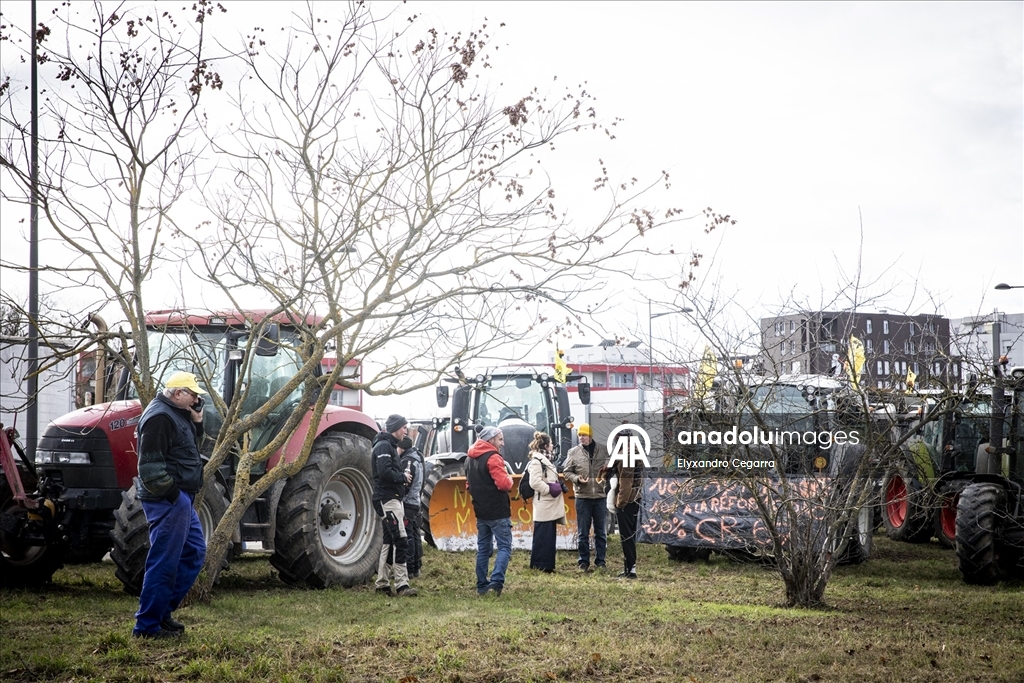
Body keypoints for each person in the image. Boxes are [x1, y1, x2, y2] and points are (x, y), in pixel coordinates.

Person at [132, 371, 208, 639]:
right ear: (177, 393)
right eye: (193, 394)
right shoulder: (159, 418)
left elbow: (187, 449)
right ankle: (147, 627)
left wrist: (197, 420)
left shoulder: (177, 413)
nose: (197, 399)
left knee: (195, 552)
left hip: (180, 499)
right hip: (167, 499)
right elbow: (149, 470)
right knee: (164, 560)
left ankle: (161, 613)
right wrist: (176, 498)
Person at [372, 414, 417, 597]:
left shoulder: (387, 445)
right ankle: (401, 585)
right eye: (404, 427)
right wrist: (402, 477)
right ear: (396, 428)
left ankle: (382, 584)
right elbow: (384, 472)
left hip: (390, 498)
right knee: (401, 540)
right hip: (388, 498)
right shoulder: (384, 446)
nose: (406, 431)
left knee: (389, 541)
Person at [465, 425, 513, 596]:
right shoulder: (493, 458)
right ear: (491, 440)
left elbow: (468, 486)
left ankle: (481, 586)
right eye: (500, 439)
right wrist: (510, 479)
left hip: (481, 511)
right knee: (505, 547)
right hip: (498, 512)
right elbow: (503, 484)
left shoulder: (469, 458)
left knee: (483, 548)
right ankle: (496, 583)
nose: (503, 443)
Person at [561, 423, 610, 572]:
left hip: (600, 496)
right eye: (580, 435)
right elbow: (567, 472)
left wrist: (608, 472)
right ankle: (583, 561)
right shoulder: (573, 452)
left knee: (601, 532)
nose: (582, 438)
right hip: (582, 497)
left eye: (584, 435)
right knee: (583, 532)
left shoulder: (603, 450)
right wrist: (576, 478)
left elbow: (612, 468)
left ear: (590, 435)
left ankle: (600, 561)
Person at [602, 430, 644, 580]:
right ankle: (629, 568)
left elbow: (626, 483)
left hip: (627, 500)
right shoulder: (635, 452)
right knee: (629, 536)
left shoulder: (626, 455)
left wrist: (620, 503)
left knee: (626, 537)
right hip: (634, 498)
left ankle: (630, 570)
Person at [526, 431, 565, 573]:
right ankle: (541, 565)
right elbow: (535, 482)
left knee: (547, 535)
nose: (553, 447)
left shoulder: (544, 461)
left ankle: (545, 564)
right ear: (546, 446)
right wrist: (550, 489)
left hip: (548, 504)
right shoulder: (537, 462)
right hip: (544, 503)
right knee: (543, 535)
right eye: (551, 444)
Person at [398, 434, 425, 579]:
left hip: (408, 502)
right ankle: (416, 566)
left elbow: (406, 484)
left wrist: (399, 496)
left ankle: (408, 569)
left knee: (408, 536)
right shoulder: (418, 459)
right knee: (415, 535)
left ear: (402, 447)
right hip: (416, 502)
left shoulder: (407, 462)